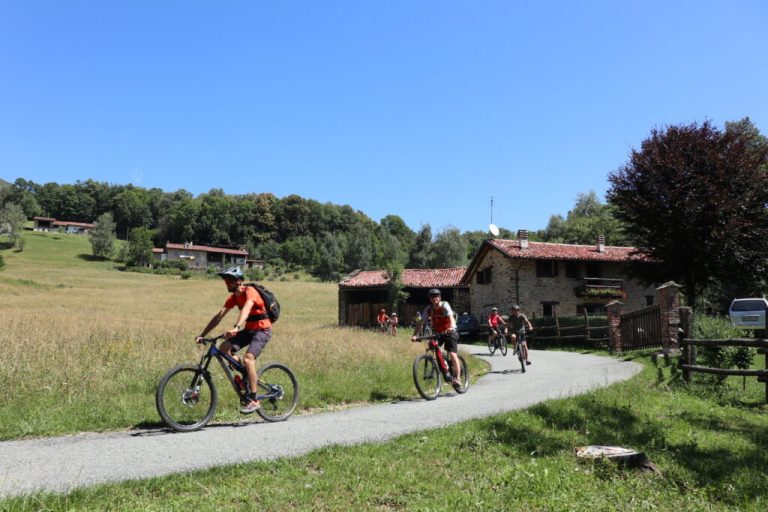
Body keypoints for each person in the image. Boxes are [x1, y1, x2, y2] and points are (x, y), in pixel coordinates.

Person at [195, 266, 272, 414]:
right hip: (249, 330)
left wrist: (236, 327)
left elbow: (247, 308)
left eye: (229, 281)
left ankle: (254, 400)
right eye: (225, 281)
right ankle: (246, 376)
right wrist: (202, 334)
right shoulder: (234, 298)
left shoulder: (251, 292)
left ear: (238, 281)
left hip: (262, 330)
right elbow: (219, 316)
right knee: (224, 348)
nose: (227, 284)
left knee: (248, 360)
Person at [410, 288, 462, 389]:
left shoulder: (444, 305)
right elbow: (421, 323)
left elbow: (451, 317)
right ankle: (444, 367)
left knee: (452, 353)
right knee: (432, 345)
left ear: (440, 297)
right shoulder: (429, 309)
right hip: (439, 333)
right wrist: (415, 335)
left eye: (437, 296)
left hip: (451, 331)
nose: (435, 298)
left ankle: (458, 379)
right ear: (430, 299)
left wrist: (451, 328)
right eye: (433, 296)